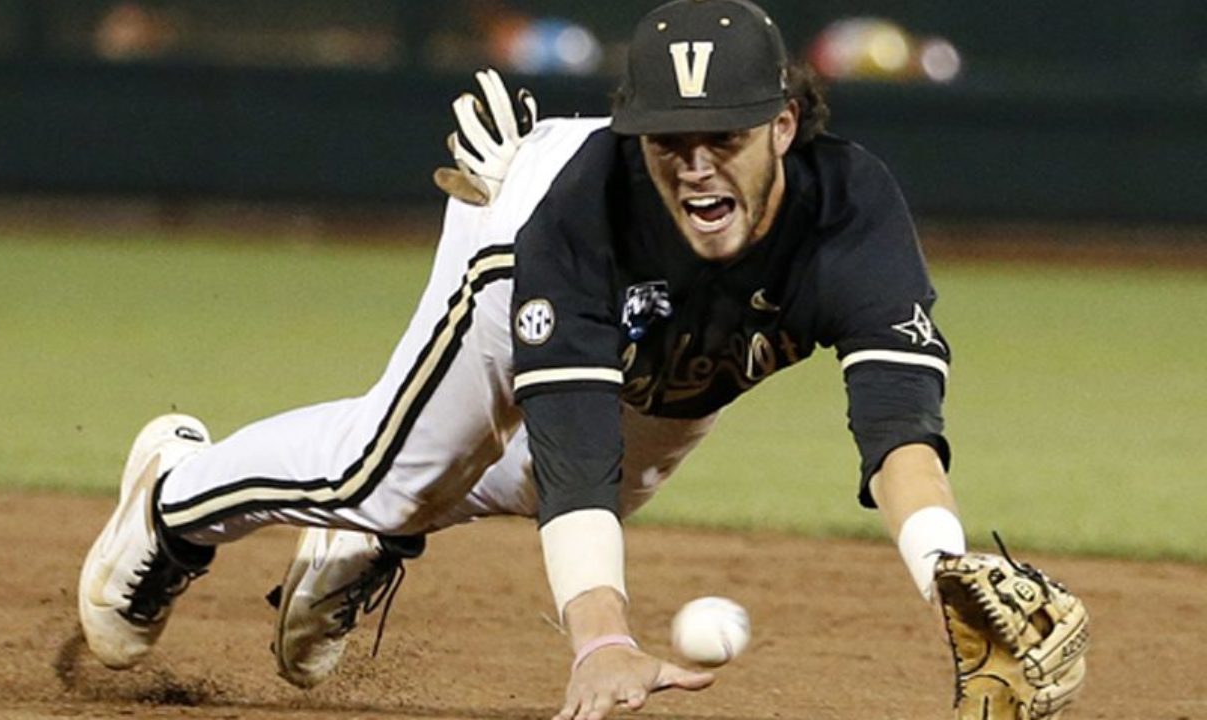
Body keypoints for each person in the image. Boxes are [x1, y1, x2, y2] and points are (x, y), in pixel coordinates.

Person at [78, 2, 1088, 718]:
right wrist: (601, 640)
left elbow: (896, 425)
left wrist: (944, 571)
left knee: (604, 483)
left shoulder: (849, 214)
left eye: (723, 135)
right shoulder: (576, 217)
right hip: (513, 236)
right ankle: (177, 503)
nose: (695, 162)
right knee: (383, 474)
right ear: (633, 137)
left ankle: (366, 541)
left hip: (680, 334)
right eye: (666, 138)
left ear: (782, 125)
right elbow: (571, 454)